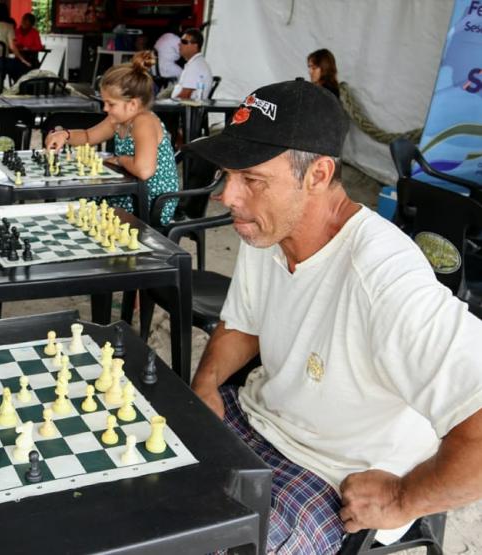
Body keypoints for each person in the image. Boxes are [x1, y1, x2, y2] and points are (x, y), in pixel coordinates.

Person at [185, 79, 482, 554]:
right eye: (227, 175)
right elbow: (241, 325)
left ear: (318, 175)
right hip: (258, 418)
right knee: (146, 489)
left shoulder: (384, 277)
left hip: (332, 474)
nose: (228, 196)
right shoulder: (269, 229)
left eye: (251, 180)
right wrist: (205, 385)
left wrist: (403, 498)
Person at [45, 51, 180, 226]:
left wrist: (120, 159)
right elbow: (88, 136)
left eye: (111, 104)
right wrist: (65, 134)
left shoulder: (144, 121)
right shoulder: (119, 119)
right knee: (78, 205)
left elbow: (144, 170)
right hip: (131, 190)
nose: (105, 108)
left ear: (132, 104)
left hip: (152, 201)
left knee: (84, 212)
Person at [0, 2, 31, 84]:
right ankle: (19, 89)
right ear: (6, 14)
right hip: (1, 62)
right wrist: (23, 60)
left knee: (11, 65)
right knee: (22, 66)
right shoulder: (8, 26)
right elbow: (12, 46)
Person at [169, 28, 212, 100]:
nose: (179, 44)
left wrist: (166, 105)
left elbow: (185, 95)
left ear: (195, 46)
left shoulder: (196, 66)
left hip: (183, 109)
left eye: (184, 42)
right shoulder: (195, 62)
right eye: (180, 41)